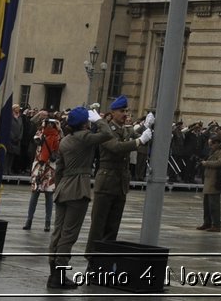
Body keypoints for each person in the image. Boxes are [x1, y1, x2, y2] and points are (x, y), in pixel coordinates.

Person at [47, 107, 111, 290]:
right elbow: (107, 134)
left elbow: (59, 169)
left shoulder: (65, 140)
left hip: (63, 189)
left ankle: (53, 274)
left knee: (57, 233)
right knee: (69, 235)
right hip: (78, 190)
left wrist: (60, 187)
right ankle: (59, 276)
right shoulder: (85, 137)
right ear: (84, 123)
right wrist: (99, 120)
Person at [84, 95, 150, 259]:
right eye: (122, 111)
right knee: (98, 226)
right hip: (106, 184)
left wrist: (146, 127)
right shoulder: (105, 130)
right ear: (112, 113)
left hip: (120, 184)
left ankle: (104, 259)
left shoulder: (125, 129)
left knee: (113, 226)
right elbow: (116, 147)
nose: (125, 114)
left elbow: (133, 135)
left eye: (127, 110)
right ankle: (92, 258)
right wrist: (139, 141)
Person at [23, 114, 59, 231]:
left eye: (51, 124)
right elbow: (36, 140)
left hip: (48, 167)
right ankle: (30, 220)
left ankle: (46, 222)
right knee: (35, 195)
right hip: (41, 166)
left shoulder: (57, 136)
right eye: (47, 123)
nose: (49, 125)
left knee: (48, 196)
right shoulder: (41, 134)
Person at [200, 125, 221, 232]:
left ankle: (216, 225)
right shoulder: (213, 150)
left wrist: (206, 163)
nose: (210, 147)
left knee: (214, 205)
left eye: (211, 145)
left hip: (215, 179)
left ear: (217, 143)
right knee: (207, 204)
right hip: (209, 179)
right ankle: (207, 223)